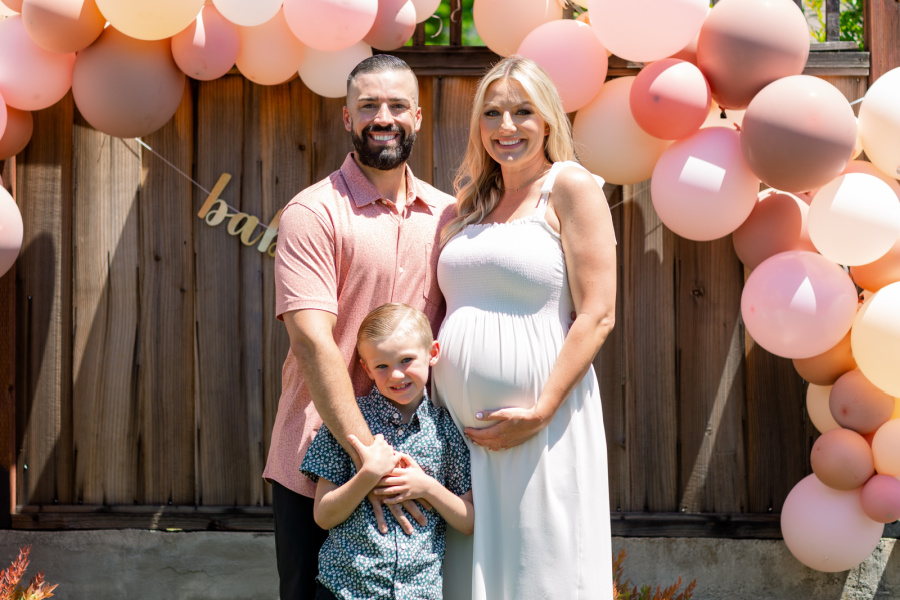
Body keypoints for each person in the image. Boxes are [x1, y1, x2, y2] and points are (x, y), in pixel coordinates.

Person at [266, 55, 457, 600]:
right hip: (318, 460)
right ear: (347, 118)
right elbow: (310, 339)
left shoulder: (449, 217)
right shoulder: (315, 213)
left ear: (418, 117)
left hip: (421, 459)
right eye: (368, 105)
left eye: (397, 105)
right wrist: (364, 457)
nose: (383, 116)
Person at [431, 55, 617, 600]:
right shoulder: (472, 204)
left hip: (540, 424)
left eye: (522, 112)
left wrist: (538, 413)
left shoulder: (569, 186)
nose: (505, 127)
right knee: (465, 577)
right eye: (492, 113)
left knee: (540, 569)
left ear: (548, 121)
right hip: (460, 438)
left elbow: (598, 313)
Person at [301, 303, 474, 600]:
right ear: (366, 368)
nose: (396, 375)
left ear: (432, 353)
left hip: (419, 591)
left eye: (406, 360)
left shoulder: (446, 431)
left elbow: (469, 521)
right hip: (345, 589)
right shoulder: (347, 425)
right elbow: (323, 515)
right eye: (382, 365)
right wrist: (367, 475)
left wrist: (428, 487)